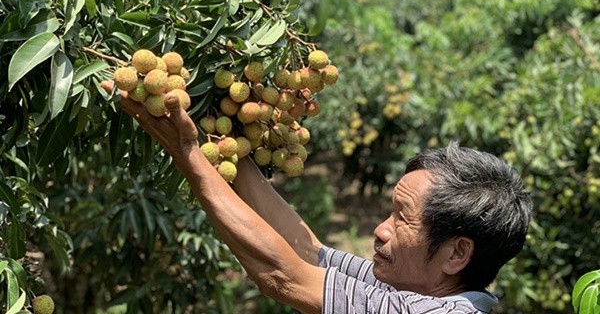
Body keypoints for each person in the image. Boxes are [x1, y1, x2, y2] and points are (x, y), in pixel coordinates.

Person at [101, 81, 533, 314]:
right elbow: (305, 250)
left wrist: (189, 155)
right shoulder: (409, 286)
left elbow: (282, 274)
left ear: (457, 254)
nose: (380, 231)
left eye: (402, 218)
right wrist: (223, 134)